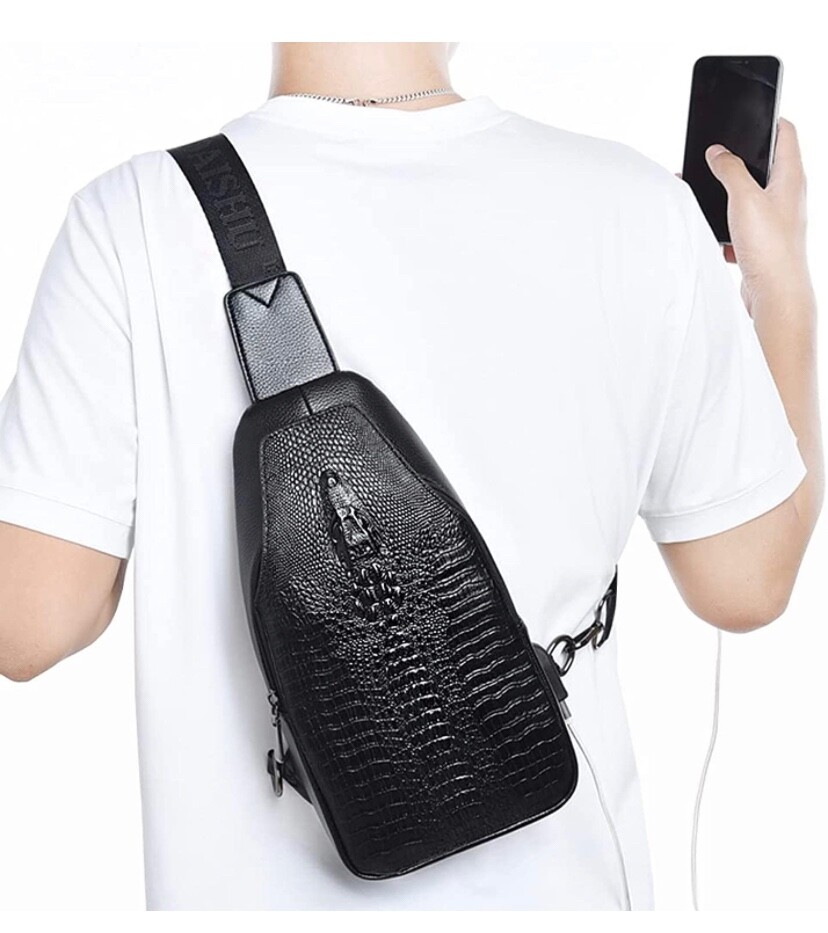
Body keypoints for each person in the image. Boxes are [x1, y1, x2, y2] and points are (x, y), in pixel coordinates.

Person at [0, 42, 822, 911]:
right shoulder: (643, 207)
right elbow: (747, 580)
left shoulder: (130, 219)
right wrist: (784, 291)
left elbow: (28, 623)